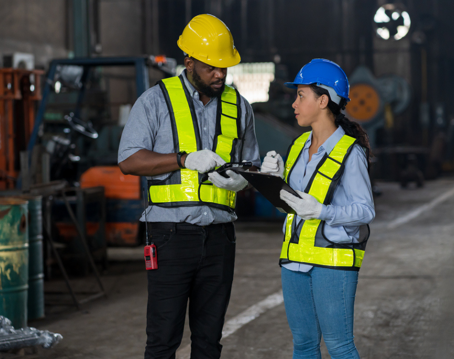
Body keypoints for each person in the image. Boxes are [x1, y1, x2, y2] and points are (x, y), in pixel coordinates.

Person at [117, 14, 260, 359]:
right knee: (164, 339)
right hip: (170, 234)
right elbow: (128, 160)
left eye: (225, 68)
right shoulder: (155, 101)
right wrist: (181, 160)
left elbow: (249, 164)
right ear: (189, 61)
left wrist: (246, 178)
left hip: (220, 238)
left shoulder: (240, 106)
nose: (220, 75)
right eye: (212, 67)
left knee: (209, 341)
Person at [260, 59, 375, 359]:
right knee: (304, 345)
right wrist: (271, 179)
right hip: (293, 261)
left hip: (332, 263)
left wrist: (323, 212)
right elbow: (290, 201)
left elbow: (365, 211)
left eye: (301, 95)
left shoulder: (350, 152)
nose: (294, 103)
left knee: (339, 346)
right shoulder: (298, 145)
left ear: (323, 100)